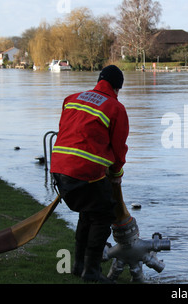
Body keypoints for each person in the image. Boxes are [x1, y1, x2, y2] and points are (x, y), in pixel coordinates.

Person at [50, 65, 129, 283]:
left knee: (87, 213)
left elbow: (69, 131)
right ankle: (92, 271)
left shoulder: (71, 99)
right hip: (85, 172)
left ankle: (78, 265)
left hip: (58, 168)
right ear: (117, 88)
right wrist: (116, 172)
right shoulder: (115, 108)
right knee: (104, 214)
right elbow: (119, 149)